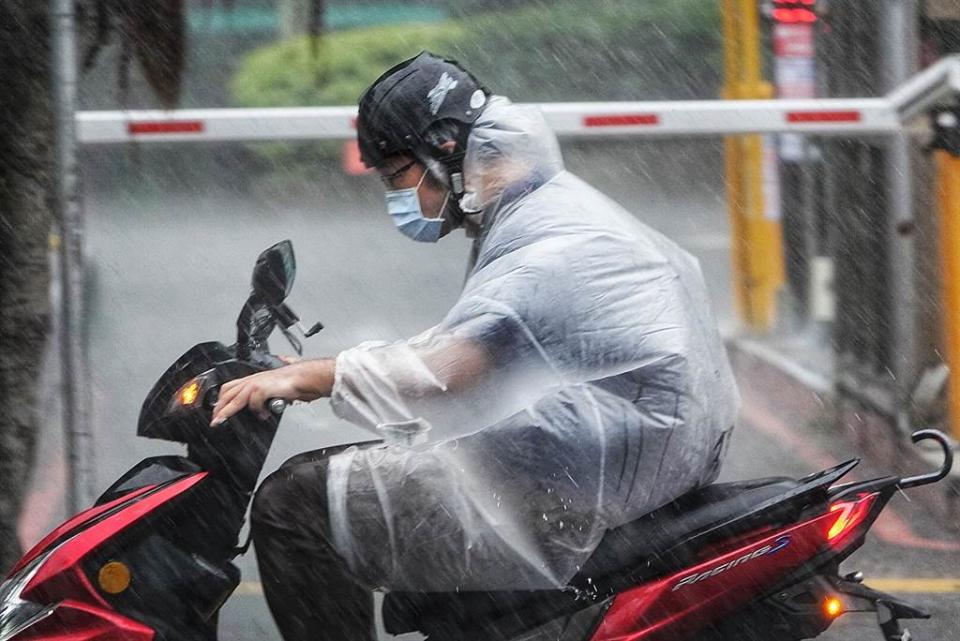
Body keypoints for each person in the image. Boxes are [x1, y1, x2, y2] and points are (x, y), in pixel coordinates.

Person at [210, 51, 739, 641]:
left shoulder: (549, 240)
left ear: (443, 149)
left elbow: (448, 371)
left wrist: (309, 378)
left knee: (297, 503)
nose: (395, 197)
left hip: (591, 475)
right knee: (369, 474)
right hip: (618, 457)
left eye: (395, 177)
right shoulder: (541, 212)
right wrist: (325, 372)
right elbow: (477, 345)